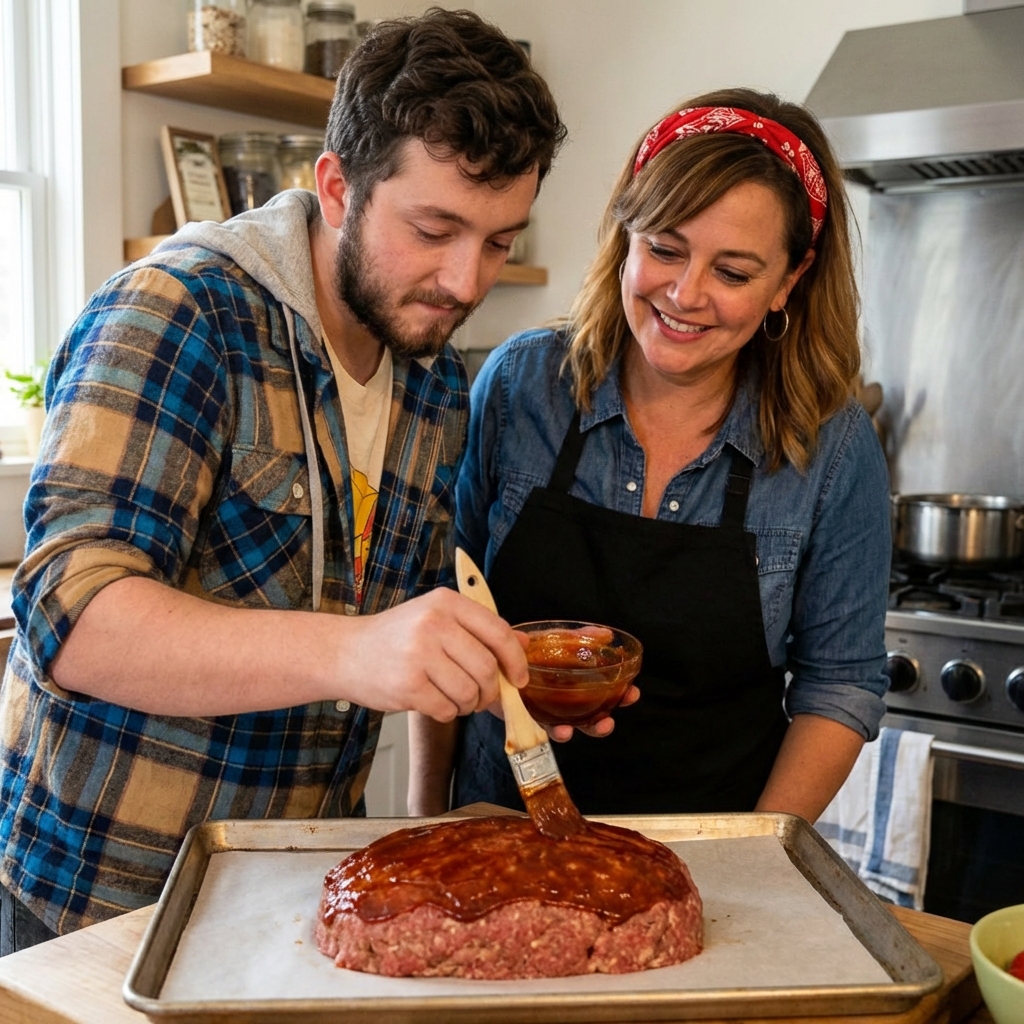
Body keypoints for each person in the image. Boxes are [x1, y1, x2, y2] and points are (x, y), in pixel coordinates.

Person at [0, 9, 566, 950]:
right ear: (337, 188)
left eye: (500, 242)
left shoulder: (428, 374)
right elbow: (72, 615)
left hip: (288, 902)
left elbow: (412, 605)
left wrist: (468, 681)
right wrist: (353, 652)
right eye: (435, 228)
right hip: (97, 902)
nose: (467, 281)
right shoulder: (180, 312)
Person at [409, 89, 890, 824]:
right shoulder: (519, 385)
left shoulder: (834, 447)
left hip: (710, 860)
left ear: (788, 281)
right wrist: (425, 818)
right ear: (625, 236)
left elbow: (841, 686)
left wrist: (751, 860)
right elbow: (445, 609)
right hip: (497, 829)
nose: (685, 294)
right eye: (665, 248)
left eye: (733, 273)